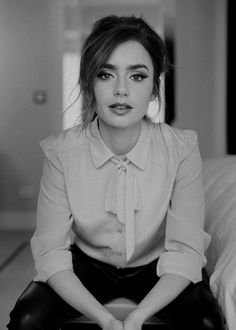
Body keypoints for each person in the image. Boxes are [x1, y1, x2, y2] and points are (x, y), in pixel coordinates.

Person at [8, 15, 225, 330]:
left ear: (154, 88)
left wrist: (137, 317)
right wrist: (104, 319)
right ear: (89, 83)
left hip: (158, 265)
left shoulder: (181, 148)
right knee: (26, 319)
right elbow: (51, 253)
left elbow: (186, 252)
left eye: (137, 76)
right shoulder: (61, 152)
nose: (121, 90)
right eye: (106, 74)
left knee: (207, 320)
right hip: (86, 264)